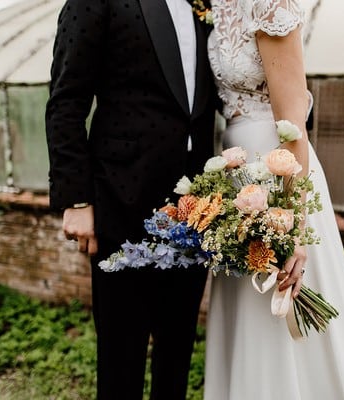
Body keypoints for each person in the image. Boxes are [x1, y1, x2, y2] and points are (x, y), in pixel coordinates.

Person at [203, 0, 344, 398]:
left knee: (280, 311)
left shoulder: (270, 4)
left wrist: (295, 223)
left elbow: (293, 123)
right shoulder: (215, 4)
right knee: (247, 316)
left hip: (277, 173)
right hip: (235, 174)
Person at [45, 0, 216, 398]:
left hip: (198, 211)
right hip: (121, 203)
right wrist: (77, 199)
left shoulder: (205, 5)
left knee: (177, 351)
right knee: (122, 357)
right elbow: (65, 102)